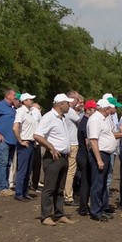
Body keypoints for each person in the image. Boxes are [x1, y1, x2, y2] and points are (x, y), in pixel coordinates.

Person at [34, 94, 75, 226]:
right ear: (60, 104)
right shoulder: (49, 117)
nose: (69, 106)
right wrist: (51, 147)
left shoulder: (61, 118)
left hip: (63, 156)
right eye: (67, 103)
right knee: (49, 188)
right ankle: (46, 216)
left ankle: (59, 213)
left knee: (60, 188)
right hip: (53, 157)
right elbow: (37, 135)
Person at [87, 98, 118, 222]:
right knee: (98, 183)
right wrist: (99, 159)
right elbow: (93, 140)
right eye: (110, 108)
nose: (111, 111)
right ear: (106, 109)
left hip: (106, 153)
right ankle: (95, 211)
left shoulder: (103, 119)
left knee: (103, 183)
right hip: (100, 154)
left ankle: (102, 207)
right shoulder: (95, 119)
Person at [0, 89, 18, 196]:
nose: (15, 97)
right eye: (14, 95)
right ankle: (2, 187)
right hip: (3, 140)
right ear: (8, 95)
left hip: (12, 140)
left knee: (8, 163)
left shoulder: (13, 108)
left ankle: (5, 185)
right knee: (3, 163)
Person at [12, 93, 38, 202]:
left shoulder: (30, 112)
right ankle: (19, 193)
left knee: (28, 170)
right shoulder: (21, 111)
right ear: (24, 101)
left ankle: (24, 191)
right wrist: (20, 140)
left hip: (31, 142)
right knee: (23, 169)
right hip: (25, 143)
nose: (32, 101)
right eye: (30, 99)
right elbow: (15, 127)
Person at [76, 100, 96, 216]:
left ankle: (84, 206)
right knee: (85, 182)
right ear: (88, 110)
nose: (95, 111)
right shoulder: (85, 123)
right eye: (94, 109)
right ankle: (83, 207)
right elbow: (88, 143)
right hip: (84, 155)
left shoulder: (85, 121)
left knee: (86, 181)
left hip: (83, 154)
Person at [63, 91, 82, 205]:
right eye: (77, 99)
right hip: (73, 143)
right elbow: (81, 122)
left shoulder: (66, 111)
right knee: (71, 171)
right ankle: (68, 196)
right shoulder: (70, 111)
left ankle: (66, 193)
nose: (78, 101)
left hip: (68, 142)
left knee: (68, 170)